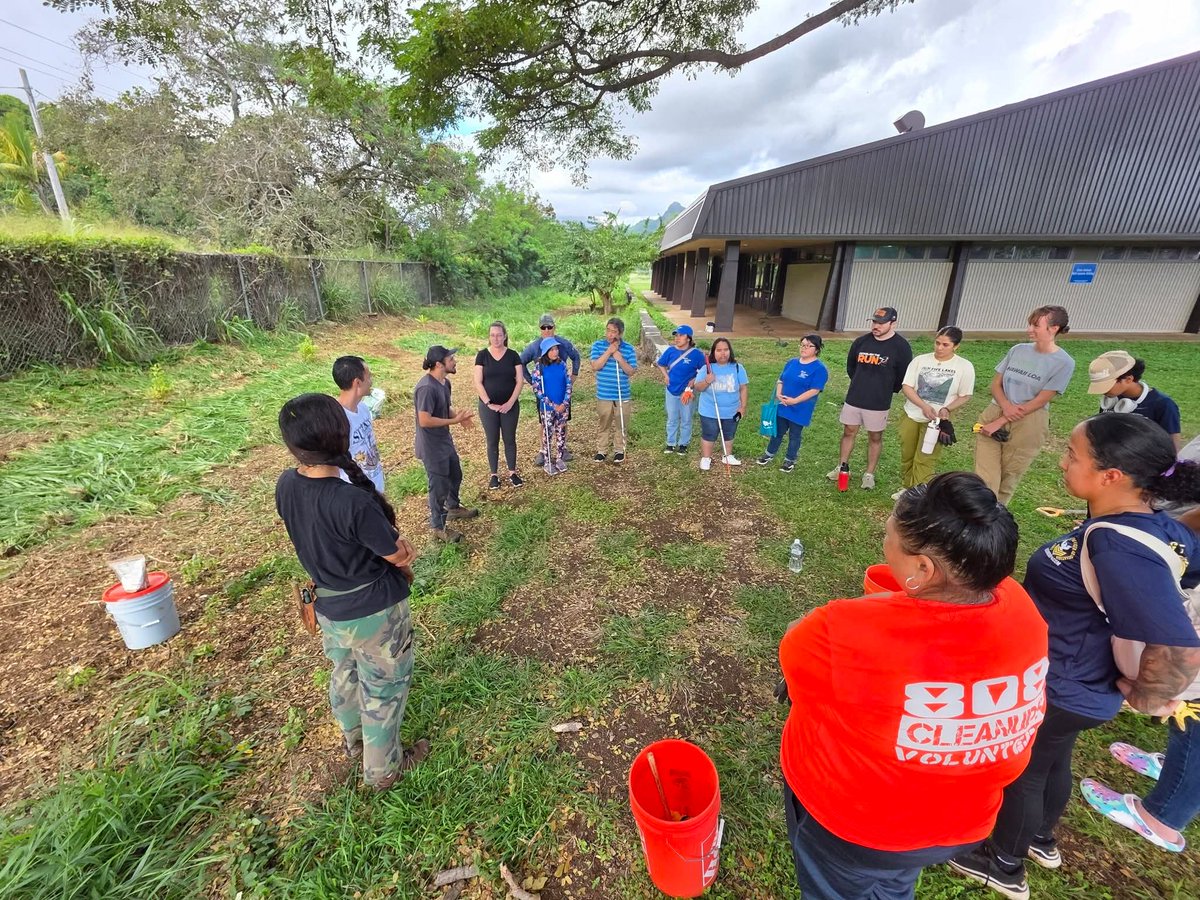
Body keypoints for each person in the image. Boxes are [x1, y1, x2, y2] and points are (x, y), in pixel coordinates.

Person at [949, 414, 1200, 899]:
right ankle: (1041, 839)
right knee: (1052, 759)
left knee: (1024, 770)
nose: (1062, 463)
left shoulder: (1117, 545)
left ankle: (1003, 863)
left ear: (1112, 477)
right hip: (1080, 683)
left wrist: (1150, 697)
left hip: (1064, 681)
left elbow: (1178, 648)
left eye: (1072, 455)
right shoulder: (1147, 523)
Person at [780, 472, 1048, 900]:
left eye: (889, 534)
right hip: (962, 822)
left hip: (856, 825)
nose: (884, 540)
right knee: (892, 884)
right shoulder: (1018, 605)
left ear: (923, 568)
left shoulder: (840, 630)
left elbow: (796, 662)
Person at [275, 393, 430, 790]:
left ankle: (355, 743)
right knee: (383, 688)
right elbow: (394, 554)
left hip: (329, 605)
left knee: (344, 673)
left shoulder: (286, 486)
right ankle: (383, 771)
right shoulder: (353, 502)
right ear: (342, 436)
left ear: (294, 446)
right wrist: (404, 554)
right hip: (373, 611)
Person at [973, 305, 1074, 505]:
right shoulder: (1017, 350)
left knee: (1009, 476)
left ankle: (994, 521)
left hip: (1029, 421)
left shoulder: (1064, 362)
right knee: (985, 478)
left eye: (1036, 325)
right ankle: (979, 513)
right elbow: (995, 383)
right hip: (996, 411)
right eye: (1030, 323)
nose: (1030, 329)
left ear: (1054, 328)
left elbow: (1042, 399)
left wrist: (1004, 418)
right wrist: (1004, 408)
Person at [825, 307, 913, 490]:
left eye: (881, 323)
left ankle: (869, 474)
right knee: (848, 432)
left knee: (875, 436)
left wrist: (886, 389)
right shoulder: (861, 342)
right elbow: (851, 367)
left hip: (879, 401)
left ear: (893, 323)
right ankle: (842, 467)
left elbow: (903, 375)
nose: (876, 326)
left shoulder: (901, 346)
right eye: (874, 322)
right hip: (855, 397)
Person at [893, 327, 975, 500]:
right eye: (937, 343)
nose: (939, 348)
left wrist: (947, 409)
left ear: (956, 346)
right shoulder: (920, 360)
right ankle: (907, 487)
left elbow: (965, 395)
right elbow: (907, 386)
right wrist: (923, 405)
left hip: (937, 421)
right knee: (908, 454)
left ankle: (919, 494)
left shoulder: (964, 366)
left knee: (925, 457)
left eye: (945, 345)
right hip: (912, 413)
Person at [413, 346, 478, 543]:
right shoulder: (426, 388)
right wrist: (454, 421)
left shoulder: (444, 383)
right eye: (451, 359)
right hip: (431, 447)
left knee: (455, 474)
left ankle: (454, 507)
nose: (455, 361)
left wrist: (457, 416)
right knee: (438, 486)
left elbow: (445, 406)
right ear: (440, 364)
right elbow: (424, 420)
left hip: (444, 442)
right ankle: (437, 526)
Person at [756, 334, 828, 473]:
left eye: (809, 346)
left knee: (795, 435)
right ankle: (769, 453)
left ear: (817, 350)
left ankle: (790, 459)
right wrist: (778, 393)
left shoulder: (819, 369)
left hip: (800, 408)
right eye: (802, 344)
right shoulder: (792, 362)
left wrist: (795, 401)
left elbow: (815, 390)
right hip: (783, 405)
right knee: (777, 431)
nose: (804, 348)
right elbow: (781, 379)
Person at [1087, 349, 1182, 448]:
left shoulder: (1163, 404)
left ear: (1128, 379)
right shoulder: (1110, 399)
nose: (1103, 391)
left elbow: (1173, 442)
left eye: (1107, 385)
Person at [521, 313, 581, 465]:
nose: (547, 330)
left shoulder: (563, 344)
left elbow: (576, 356)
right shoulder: (535, 347)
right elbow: (521, 362)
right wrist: (531, 381)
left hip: (561, 391)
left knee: (563, 420)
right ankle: (543, 450)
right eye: (543, 327)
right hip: (544, 393)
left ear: (554, 327)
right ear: (540, 329)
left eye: (549, 327)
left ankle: (563, 448)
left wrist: (573, 375)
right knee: (544, 422)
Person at [473, 321, 525, 490]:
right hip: (488, 407)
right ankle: (494, 475)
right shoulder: (482, 355)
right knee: (492, 440)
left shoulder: (513, 355)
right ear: (489, 337)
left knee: (510, 439)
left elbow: (519, 381)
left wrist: (510, 403)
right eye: (492, 335)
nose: (496, 338)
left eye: (499, 335)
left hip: (510, 406)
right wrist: (489, 403)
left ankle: (512, 472)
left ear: (505, 336)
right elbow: (478, 382)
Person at [333, 356, 386, 494]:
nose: (371, 381)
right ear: (357, 382)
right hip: (356, 494)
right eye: (369, 376)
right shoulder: (336, 419)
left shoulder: (363, 408)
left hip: (375, 487)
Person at [695, 337, 748, 471]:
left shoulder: (737, 368)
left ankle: (727, 456)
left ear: (730, 351)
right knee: (709, 433)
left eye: (726, 350)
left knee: (729, 433)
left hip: (732, 409)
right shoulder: (706, 368)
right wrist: (707, 381)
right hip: (709, 410)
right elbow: (698, 387)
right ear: (714, 352)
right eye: (719, 350)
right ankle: (706, 458)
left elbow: (743, 388)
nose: (723, 353)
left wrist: (742, 407)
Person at [589, 317, 638, 463]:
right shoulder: (598, 346)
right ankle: (602, 450)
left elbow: (631, 371)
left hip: (622, 394)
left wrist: (620, 358)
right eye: (608, 331)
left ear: (620, 333)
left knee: (621, 423)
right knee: (604, 423)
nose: (610, 334)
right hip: (604, 394)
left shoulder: (628, 348)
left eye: (614, 332)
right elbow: (595, 366)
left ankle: (619, 450)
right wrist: (609, 352)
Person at [656, 324, 707, 455]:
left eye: (681, 335)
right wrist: (666, 375)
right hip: (671, 389)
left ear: (688, 338)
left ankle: (683, 444)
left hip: (687, 391)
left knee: (686, 418)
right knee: (672, 418)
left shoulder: (696, 354)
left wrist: (694, 380)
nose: (677, 338)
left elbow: (704, 370)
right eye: (676, 335)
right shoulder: (670, 351)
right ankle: (670, 443)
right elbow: (661, 364)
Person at [531, 337, 573, 475]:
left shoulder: (562, 365)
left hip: (562, 406)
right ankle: (548, 461)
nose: (555, 352)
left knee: (560, 432)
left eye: (556, 349)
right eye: (552, 349)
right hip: (548, 408)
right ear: (546, 352)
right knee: (547, 433)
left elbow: (568, 384)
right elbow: (537, 389)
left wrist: (565, 402)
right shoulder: (539, 368)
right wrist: (552, 405)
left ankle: (560, 458)